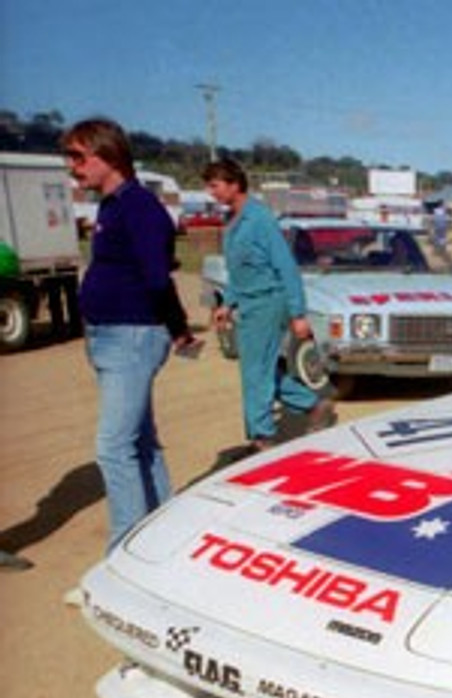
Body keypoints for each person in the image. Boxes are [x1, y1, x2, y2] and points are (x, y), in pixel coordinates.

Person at [61, 117, 197, 553]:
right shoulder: (111, 205)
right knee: (139, 440)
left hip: (132, 338)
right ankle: (163, 534)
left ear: (109, 155)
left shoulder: (140, 207)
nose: (72, 167)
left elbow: (158, 279)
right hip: (109, 337)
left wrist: (178, 330)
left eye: (79, 157)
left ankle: (123, 553)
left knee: (113, 447)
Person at [202, 158, 334, 451]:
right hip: (247, 304)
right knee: (261, 370)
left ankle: (262, 437)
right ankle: (312, 404)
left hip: (266, 302)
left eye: (215, 186)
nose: (212, 193)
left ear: (234, 184)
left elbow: (286, 267)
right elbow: (242, 269)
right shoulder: (233, 222)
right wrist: (228, 302)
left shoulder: (260, 219)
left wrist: (298, 313)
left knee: (254, 373)